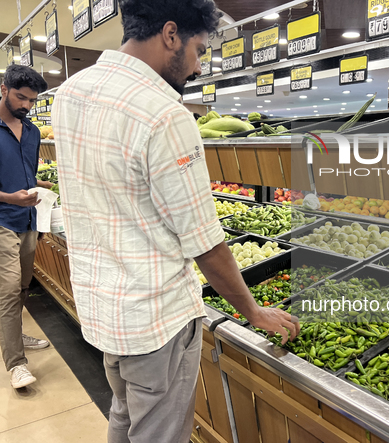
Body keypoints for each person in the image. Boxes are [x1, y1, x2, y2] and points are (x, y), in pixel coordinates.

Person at [52, 0, 300, 441]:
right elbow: (204, 241)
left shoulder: (73, 92)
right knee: (159, 434)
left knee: (124, 415)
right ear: (170, 35)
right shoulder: (164, 113)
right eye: (199, 50)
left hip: (104, 309)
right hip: (155, 321)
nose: (200, 66)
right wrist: (253, 311)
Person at [0, 64, 52, 389]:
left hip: (28, 219)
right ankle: (16, 364)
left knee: (22, 286)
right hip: (2, 219)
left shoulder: (32, 131)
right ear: (3, 89)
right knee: (7, 288)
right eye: (21, 98)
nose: (26, 106)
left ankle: (15, 334)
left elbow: (28, 173)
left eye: (32, 101)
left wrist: (40, 188)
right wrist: (10, 197)